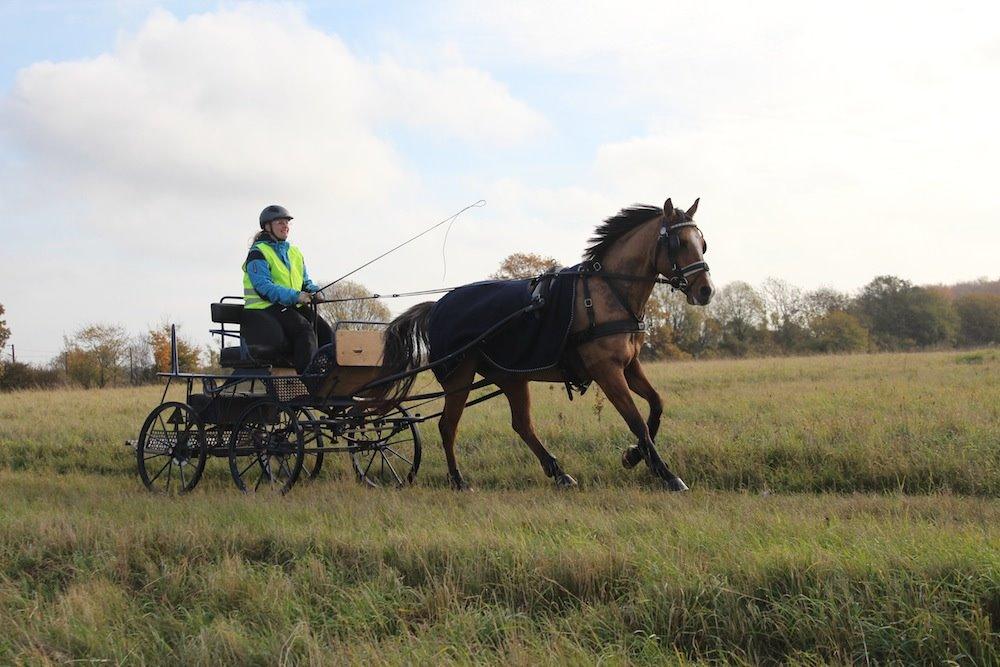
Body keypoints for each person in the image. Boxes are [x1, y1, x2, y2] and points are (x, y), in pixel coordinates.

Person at [242, 204, 333, 372]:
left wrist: (314, 291)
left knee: (326, 332)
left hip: (290, 305)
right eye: (280, 223)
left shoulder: (295, 253)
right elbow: (264, 287)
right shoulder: (258, 252)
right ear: (268, 227)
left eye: (287, 223)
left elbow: (305, 282)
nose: (285, 226)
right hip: (264, 308)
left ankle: (331, 376)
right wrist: (296, 296)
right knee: (304, 330)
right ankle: (310, 380)